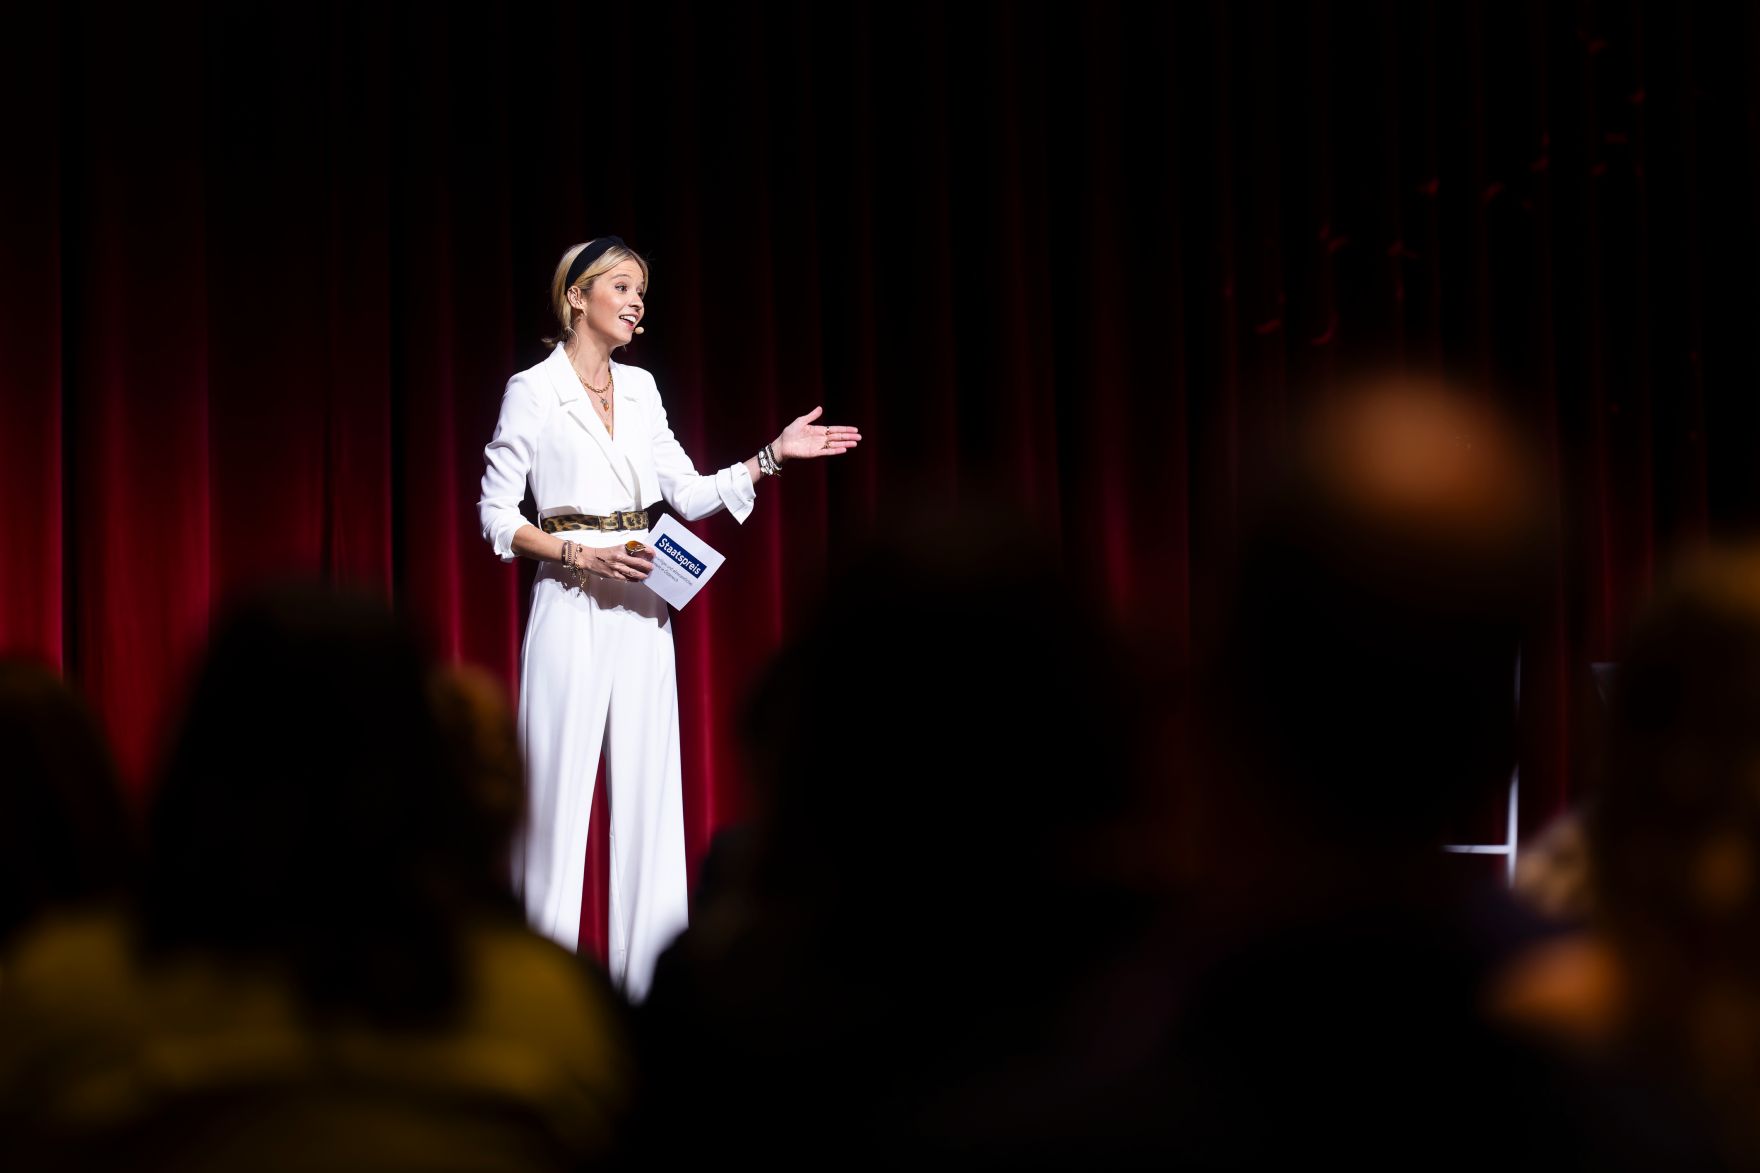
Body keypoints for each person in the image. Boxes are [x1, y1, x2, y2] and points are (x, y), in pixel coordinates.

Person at [476, 236, 859, 1000]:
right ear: (577, 296)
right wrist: (579, 554)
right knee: (554, 804)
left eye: (642, 289)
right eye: (622, 285)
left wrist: (770, 458)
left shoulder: (644, 390)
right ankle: (537, 999)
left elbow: (683, 493)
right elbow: (494, 515)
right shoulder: (533, 389)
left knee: (650, 808)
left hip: (644, 608)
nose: (637, 300)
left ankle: (648, 1002)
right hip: (574, 598)